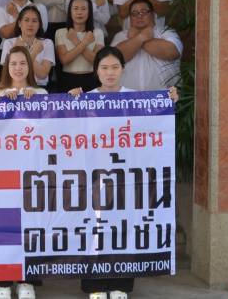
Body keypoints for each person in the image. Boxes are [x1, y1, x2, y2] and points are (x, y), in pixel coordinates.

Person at [67, 45, 177, 299]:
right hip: (94, 178)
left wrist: (169, 99)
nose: (110, 72)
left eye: (115, 67)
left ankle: (120, 285)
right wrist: (70, 102)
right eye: (104, 68)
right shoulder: (85, 99)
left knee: (124, 229)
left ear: (123, 70)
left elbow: (155, 126)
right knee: (94, 229)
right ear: (96, 71)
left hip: (127, 178)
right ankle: (94, 285)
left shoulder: (136, 99)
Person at [0, 46, 44, 299]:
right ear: (6, 67)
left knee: (31, 226)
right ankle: (2, 281)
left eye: (23, 63)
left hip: (32, 171)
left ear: (29, 67)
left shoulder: (41, 94)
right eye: (13, 64)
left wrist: (36, 104)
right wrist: (2, 102)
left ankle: (26, 280)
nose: (18, 68)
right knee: (2, 226)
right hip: (2, 173)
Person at [110, 0, 181, 90]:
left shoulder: (166, 32)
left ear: (153, 15)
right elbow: (115, 59)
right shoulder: (120, 36)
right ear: (130, 18)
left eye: (144, 12)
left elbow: (171, 52)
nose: (139, 16)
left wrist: (137, 38)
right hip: (127, 96)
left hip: (164, 96)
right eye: (134, 13)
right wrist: (140, 37)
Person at [55, 0, 104, 93]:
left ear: (89, 12)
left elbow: (97, 61)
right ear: (70, 11)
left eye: (83, 9)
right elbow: (64, 60)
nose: (79, 12)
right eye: (75, 8)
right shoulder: (61, 32)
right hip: (67, 79)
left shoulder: (98, 32)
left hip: (92, 79)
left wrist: (75, 41)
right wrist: (85, 42)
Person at [0, 6, 55, 90]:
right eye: (26, 20)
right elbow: (8, 73)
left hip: (39, 88)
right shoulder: (9, 43)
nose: (30, 24)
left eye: (34, 21)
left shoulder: (47, 43)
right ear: (19, 23)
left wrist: (25, 52)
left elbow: (43, 74)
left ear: (39, 24)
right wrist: (34, 53)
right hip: (15, 89)